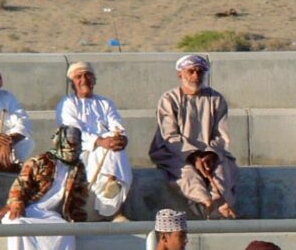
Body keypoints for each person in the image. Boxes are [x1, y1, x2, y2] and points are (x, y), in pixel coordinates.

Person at [148, 54, 238, 219]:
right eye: (191, 71)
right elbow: (170, 136)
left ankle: (221, 205)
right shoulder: (169, 99)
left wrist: (209, 154)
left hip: (210, 153)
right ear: (180, 74)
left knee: (223, 169)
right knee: (187, 173)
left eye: (200, 72)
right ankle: (204, 203)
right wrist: (194, 156)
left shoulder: (216, 99)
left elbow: (221, 134)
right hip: (174, 152)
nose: (196, 76)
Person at [0, 126, 87, 250]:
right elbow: (20, 185)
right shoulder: (39, 161)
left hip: (54, 215)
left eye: (76, 144)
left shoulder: (78, 168)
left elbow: (80, 196)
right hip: (29, 210)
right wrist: (17, 202)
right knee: (17, 225)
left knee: (67, 229)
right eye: (69, 144)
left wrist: (77, 215)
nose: (73, 149)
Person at [56, 61, 132, 220]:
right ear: (72, 83)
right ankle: (115, 210)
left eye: (88, 75)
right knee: (105, 148)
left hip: (108, 149)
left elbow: (117, 125)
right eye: (79, 77)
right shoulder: (67, 103)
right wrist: (99, 141)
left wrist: (120, 138)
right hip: (78, 150)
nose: (84, 79)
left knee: (116, 148)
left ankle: (113, 189)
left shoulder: (105, 103)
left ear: (94, 80)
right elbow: (73, 132)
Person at [0, 54, 33, 171]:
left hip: (3, 146)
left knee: (27, 141)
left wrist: (8, 141)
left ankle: (5, 165)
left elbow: (23, 122)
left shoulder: (6, 97)